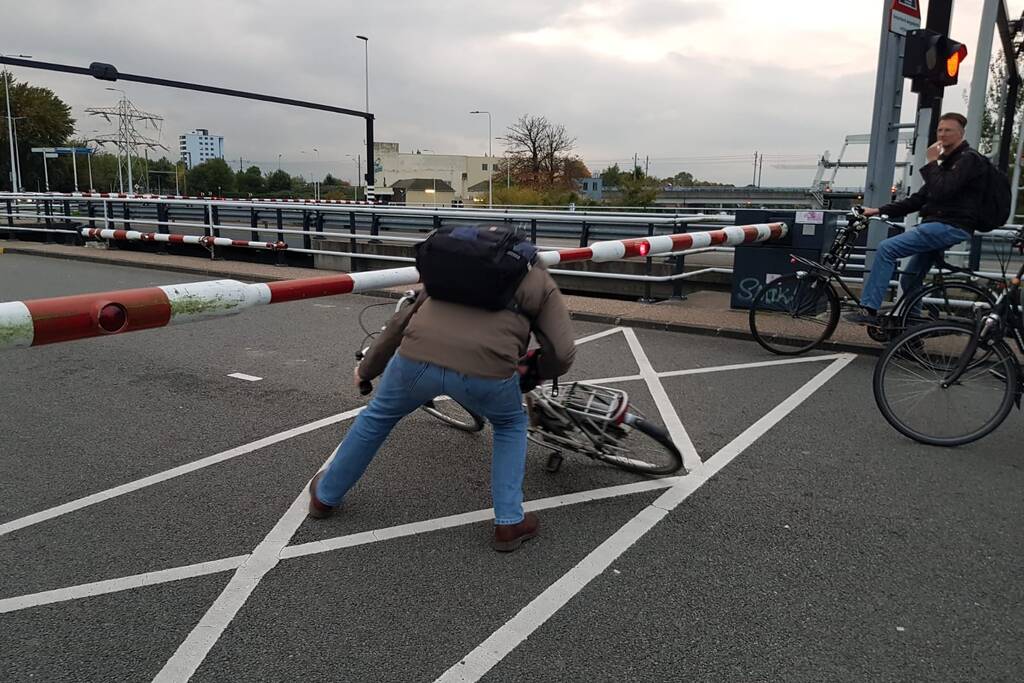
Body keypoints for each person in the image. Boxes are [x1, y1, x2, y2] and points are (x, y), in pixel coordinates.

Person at [307, 253, 576, 553]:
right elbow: (562, 354)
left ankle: (325, 496)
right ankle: (510, 522)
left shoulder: (456, 264)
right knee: (510, 425)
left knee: (378, 416)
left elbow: (401, 321)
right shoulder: (538, 280)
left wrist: (367, 370)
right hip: (487, 371)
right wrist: (534, 371)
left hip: (415, 362)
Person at [844, 112, 986, 326]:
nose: (943, 134)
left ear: (961, 134)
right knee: (910, 277)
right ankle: (913, 332)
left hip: (950, 226)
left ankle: (869, 310)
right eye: (940, 130)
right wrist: (877, 210)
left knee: (887, 249)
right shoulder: (948, 164)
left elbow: (942, 191)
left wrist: (931, 163)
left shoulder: (968, 159)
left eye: (949, 130)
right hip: (940, 225)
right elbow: (918, 199)